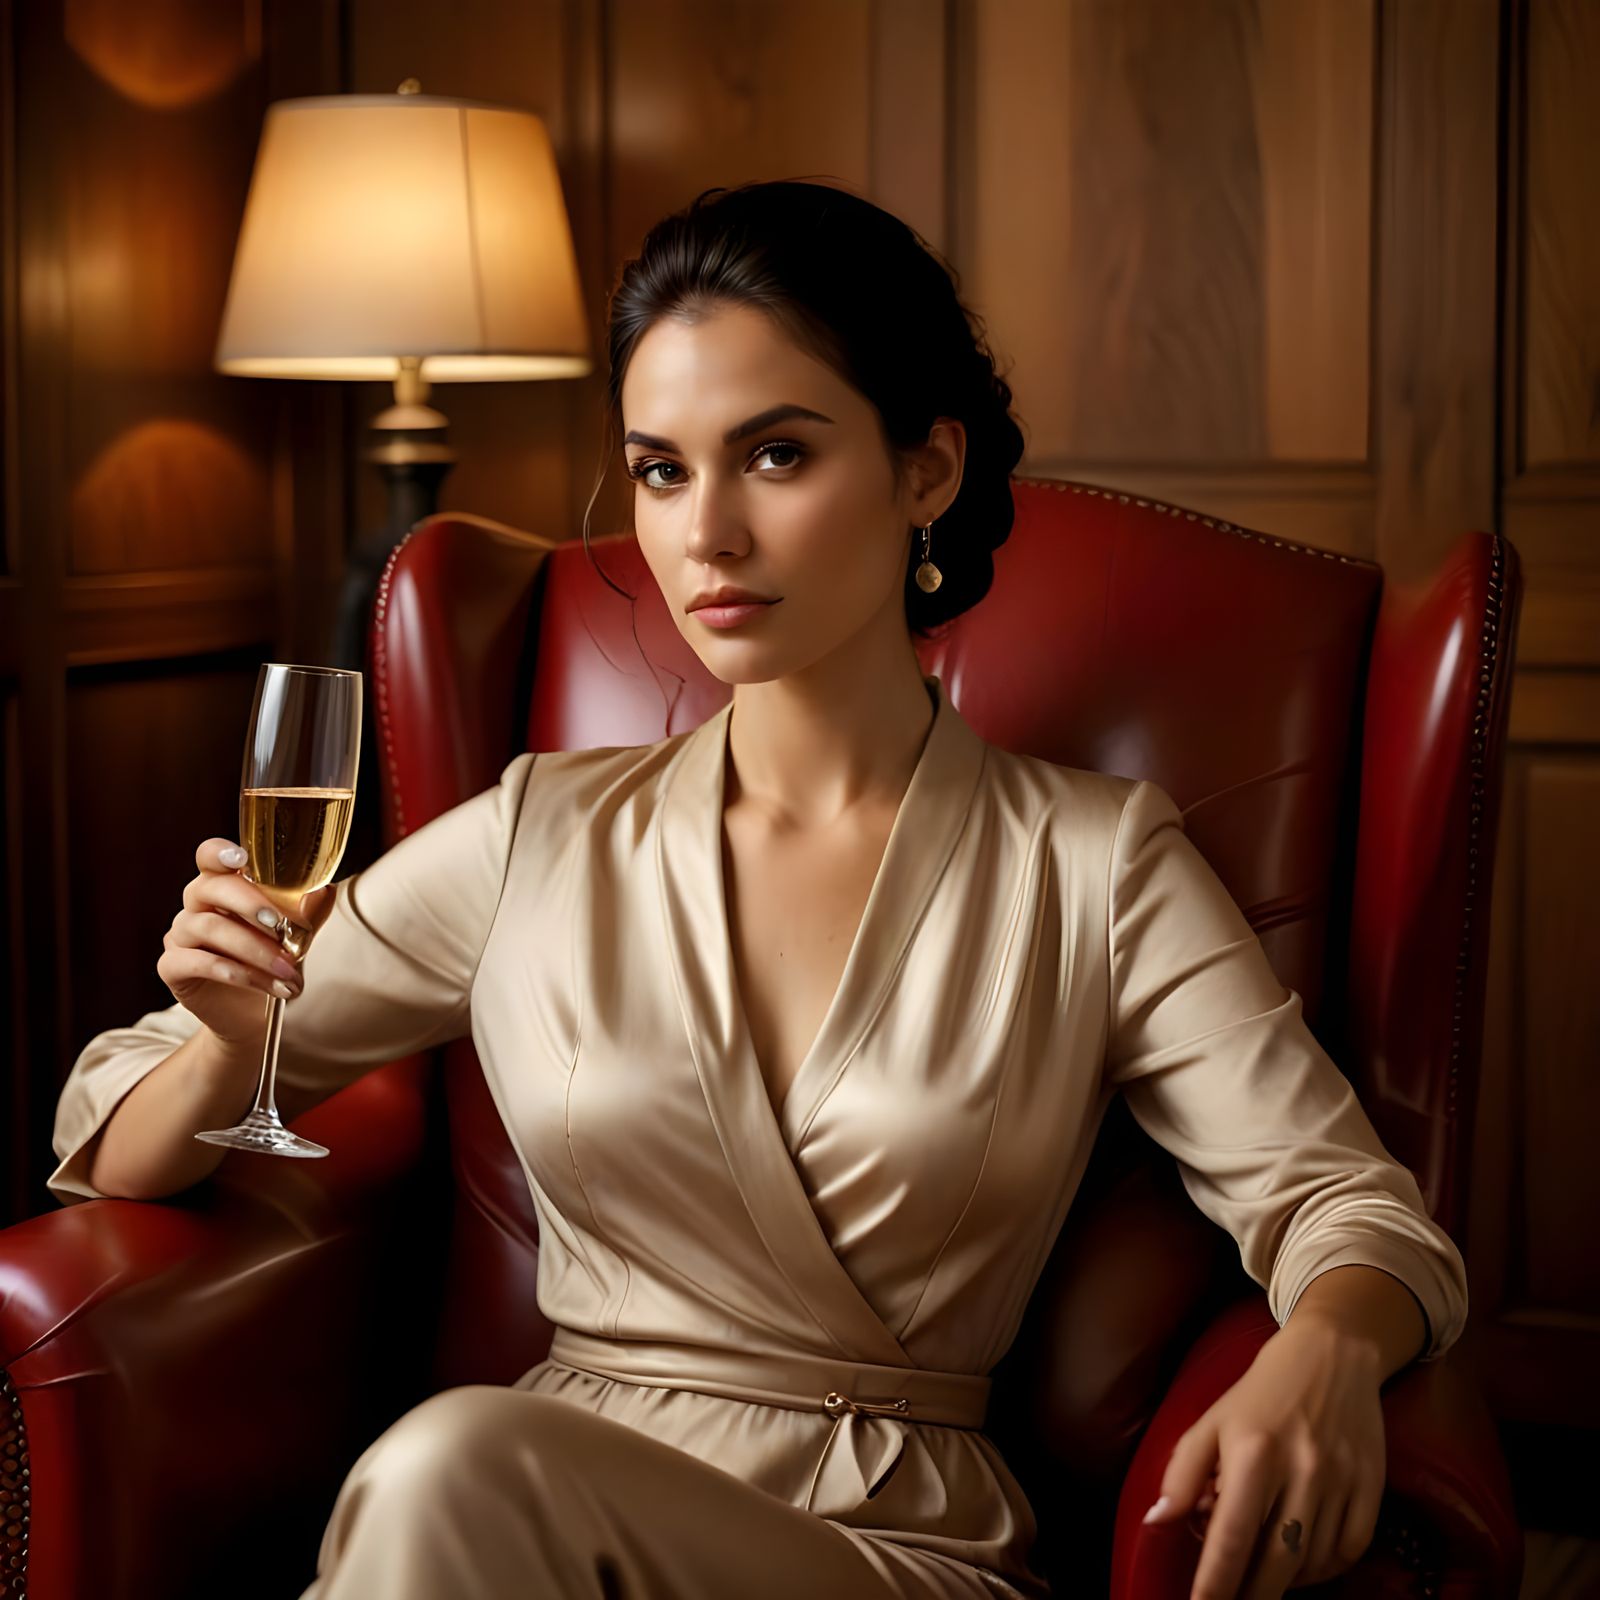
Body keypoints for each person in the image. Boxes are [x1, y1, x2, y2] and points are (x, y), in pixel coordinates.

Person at [48, 179, 1469, 1600]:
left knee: (445, 1470)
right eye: (661, 471)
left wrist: (1327, 1349)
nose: (706, 534)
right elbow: (119, 1130)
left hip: (886, 1544)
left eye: (775, 455)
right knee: (458, 1482)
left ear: (928, 470)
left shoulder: (1091, 865)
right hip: (528, 1532)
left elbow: (1348, 1204)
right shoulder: (541, 833)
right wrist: (233, 1039)